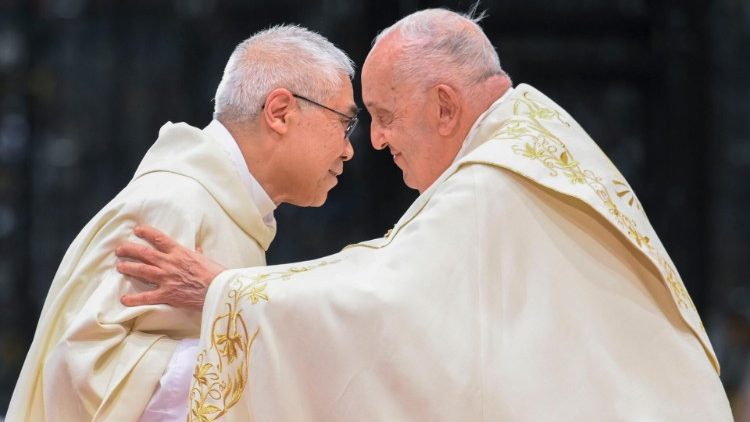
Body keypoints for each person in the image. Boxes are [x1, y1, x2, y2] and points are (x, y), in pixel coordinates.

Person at [117, 8, 733, 421]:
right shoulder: (537, 146)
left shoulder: (494, 182)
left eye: (382, 116)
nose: (377, 142)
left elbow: (386, 302)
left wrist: (225, 293)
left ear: (444, 106)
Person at [6, 25, 357, 422]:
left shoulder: (230, 210)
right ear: (279, 112)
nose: (348, 149)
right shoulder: (175, 202)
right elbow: (82, 366)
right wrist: (258, 373)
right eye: (344, 123)